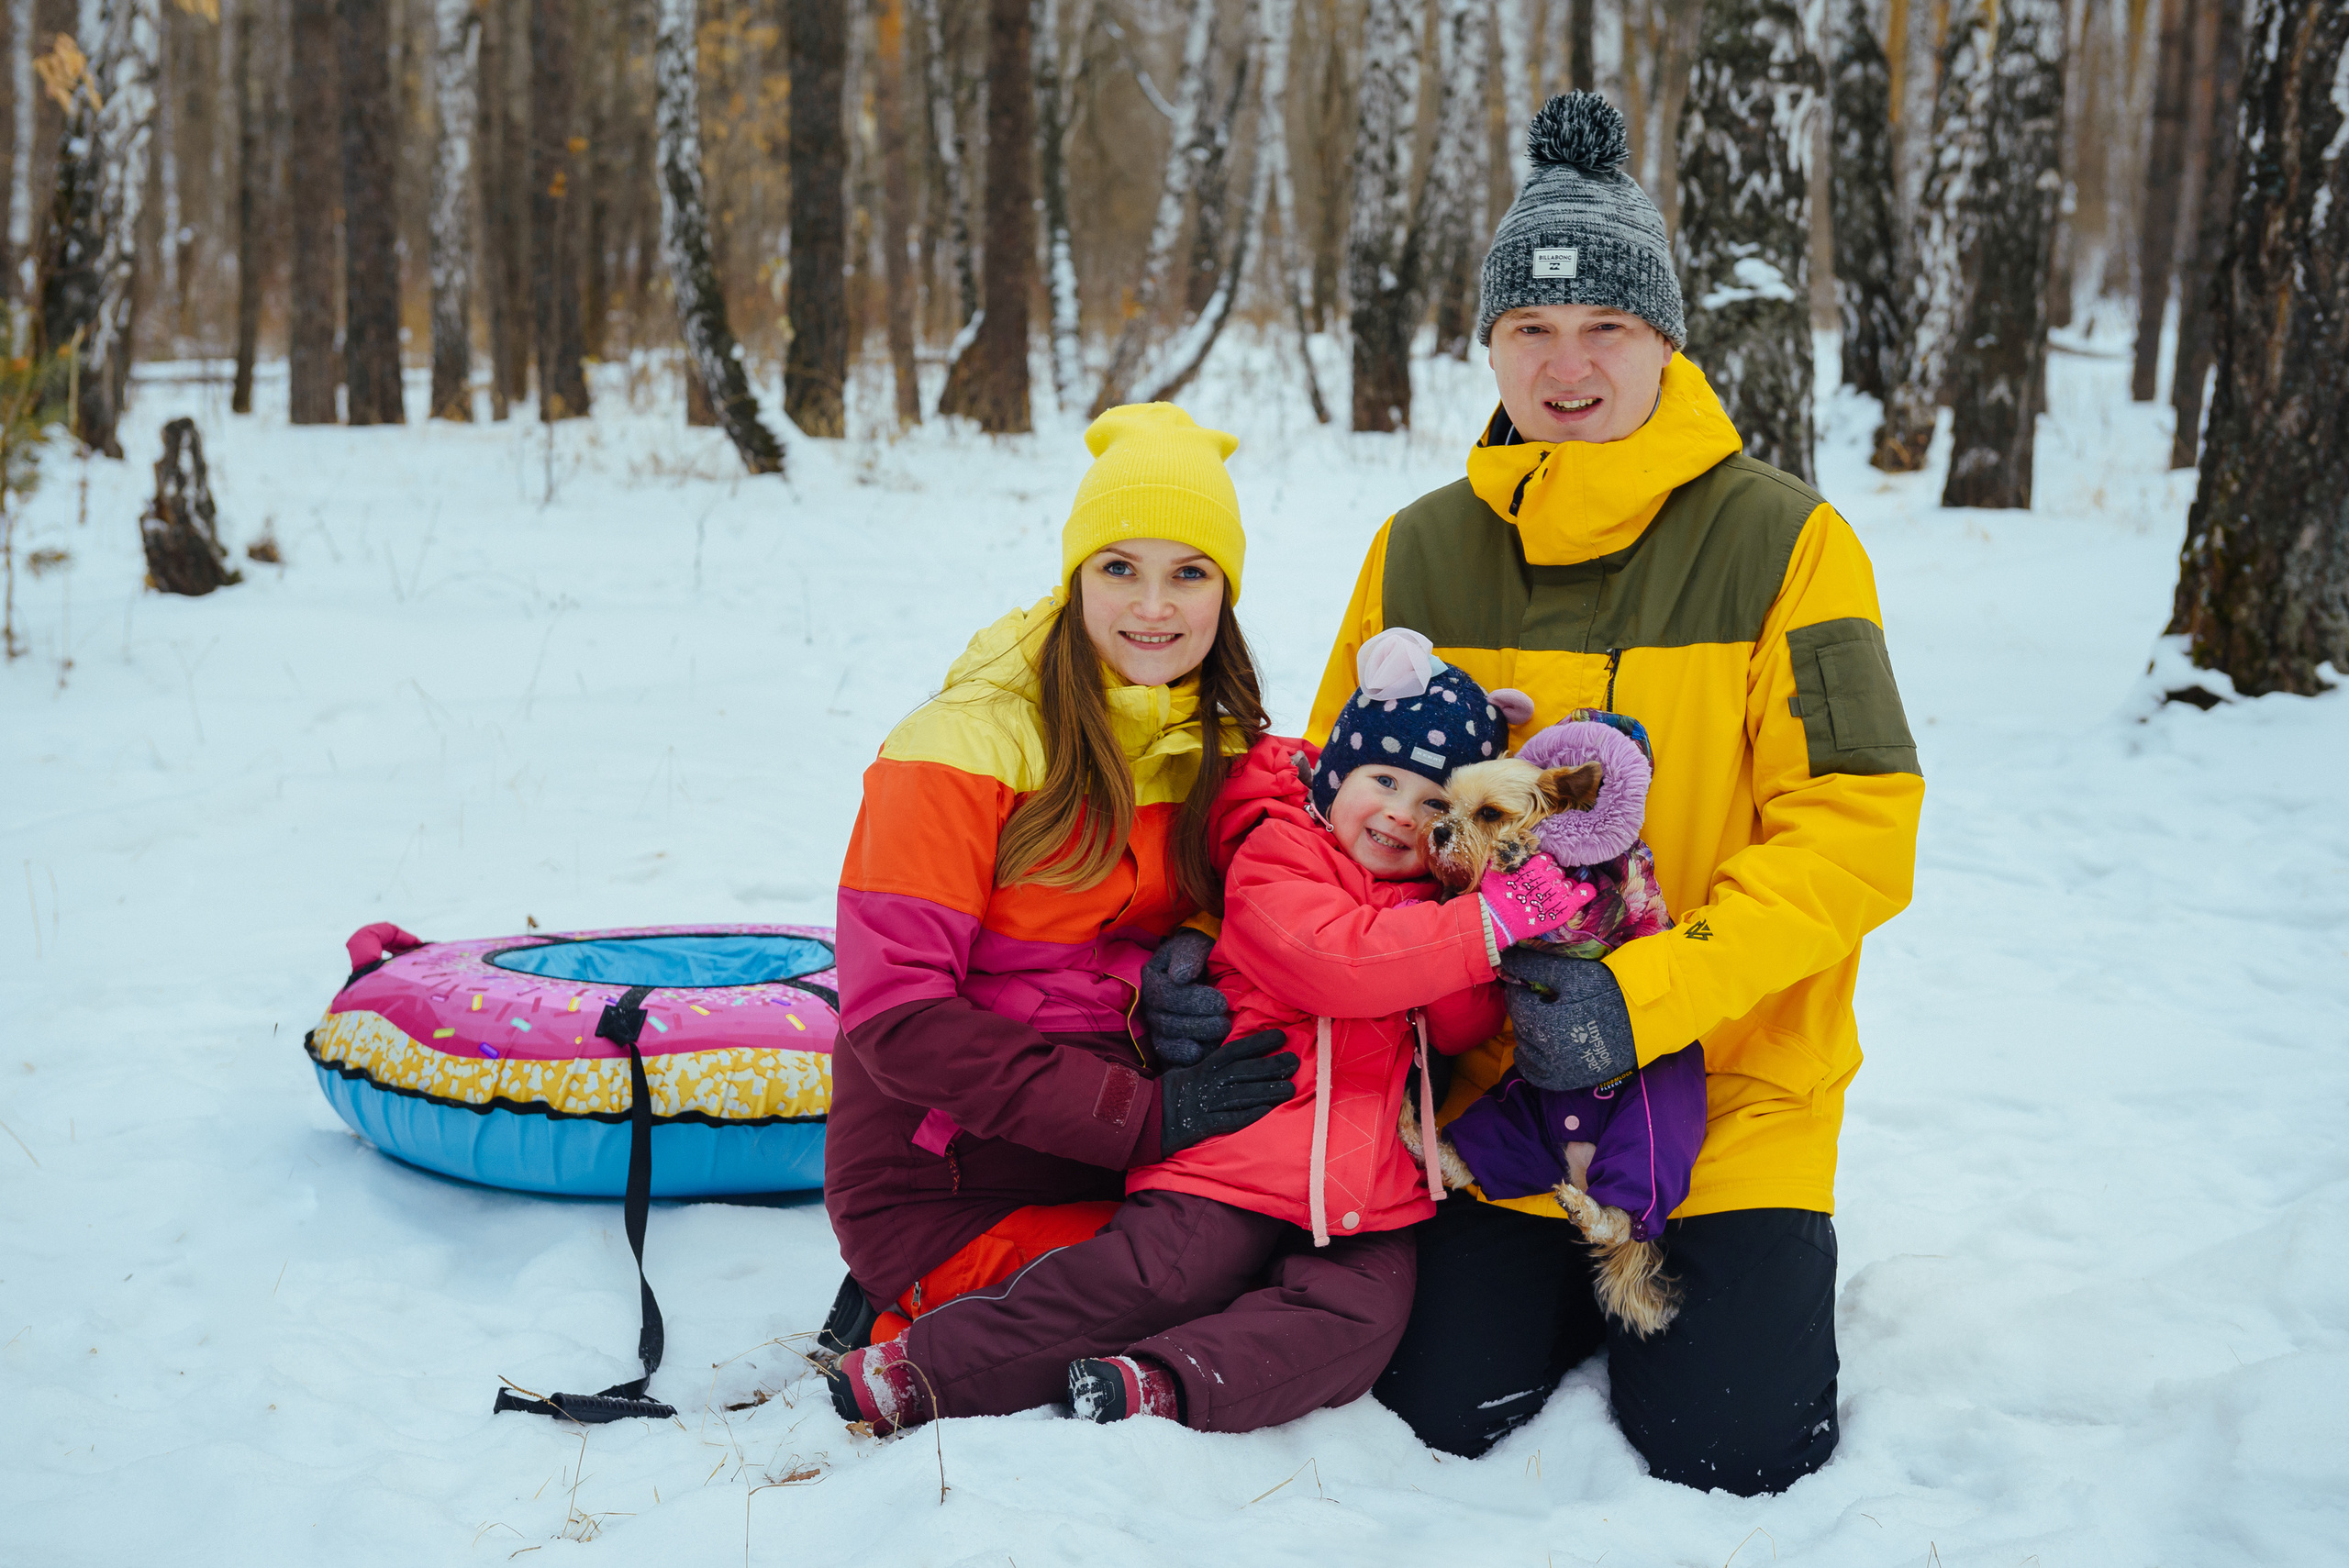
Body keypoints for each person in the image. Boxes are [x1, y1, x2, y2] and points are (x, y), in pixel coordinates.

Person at [1150, 92, 1925, 1494]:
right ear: (1491, 344)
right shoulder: (1421, 550)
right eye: (1530, 328)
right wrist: (1219, 952)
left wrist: (1642, 999)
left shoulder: (1790, 542)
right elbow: (1338, 810)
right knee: (1434, 1406)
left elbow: (1856, 835)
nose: (1567, 365)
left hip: (1726, 1098)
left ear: (1666, 338)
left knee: (1731, 1448)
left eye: (1606, 326)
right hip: (1477, 1100)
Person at [828, 632, 1589, 1436]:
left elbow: (1461, 1025)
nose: (1403, 812)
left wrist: (1478, 913)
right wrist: (1482, 926)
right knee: (1154, 1279)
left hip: (1363, 1188)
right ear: (1336, 774)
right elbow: (1332, 962)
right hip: (1233, 1156)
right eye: (1385, 780)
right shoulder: (1281, 855)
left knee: (1364, 1319)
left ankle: (1164, 1383)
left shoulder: (1437, 911)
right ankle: (921, 1370)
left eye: (1434, 803)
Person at [817, 403, 1301, 1369]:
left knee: (1320, 1233)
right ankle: (912, 1339)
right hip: (947, 1184)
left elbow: (1283, 892)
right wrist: (1145, 1116)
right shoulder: (958, 748)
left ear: (1226, 591)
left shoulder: (1217, 743)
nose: (1153, 606)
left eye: (1189, 572)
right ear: (1075, 575)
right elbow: (895, 1017)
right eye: (1119, 567)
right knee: (1229, 1262)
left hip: (1107, 1156)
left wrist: (1196, 945)